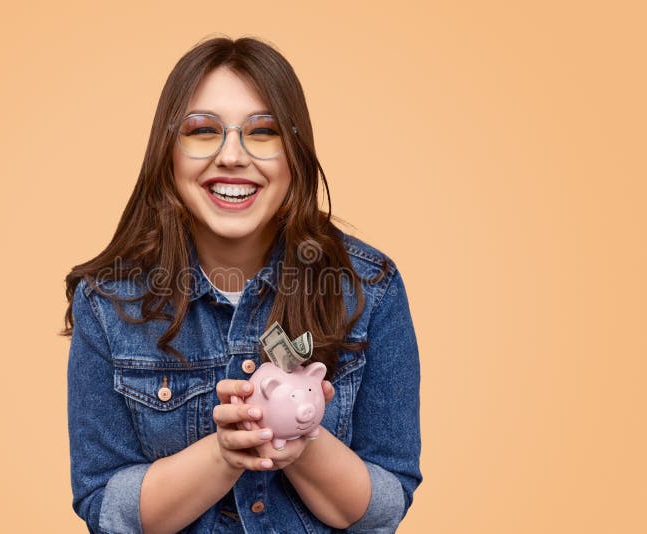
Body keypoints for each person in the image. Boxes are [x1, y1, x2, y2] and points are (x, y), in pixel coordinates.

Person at [62, 36, 422, 534]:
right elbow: (106, 510)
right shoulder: (107, 302)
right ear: (168, 151)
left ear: (294, 152)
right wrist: (224, 452)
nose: (232, 156)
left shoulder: (369, 287)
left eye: (264, 131)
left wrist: (300, 436)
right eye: (203, 131)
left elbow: (385, 508)